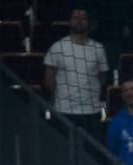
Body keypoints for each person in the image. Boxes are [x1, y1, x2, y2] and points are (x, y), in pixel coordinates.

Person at [43, 6, 110, 141]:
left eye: (83, 18)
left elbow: (102, 77)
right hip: (64, 111)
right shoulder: (57, 47)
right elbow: (49, 78)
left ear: (89, 22)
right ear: (70, 21)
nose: (79, 21)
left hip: (92, 112)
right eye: (75, 18)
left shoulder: (98, 49)